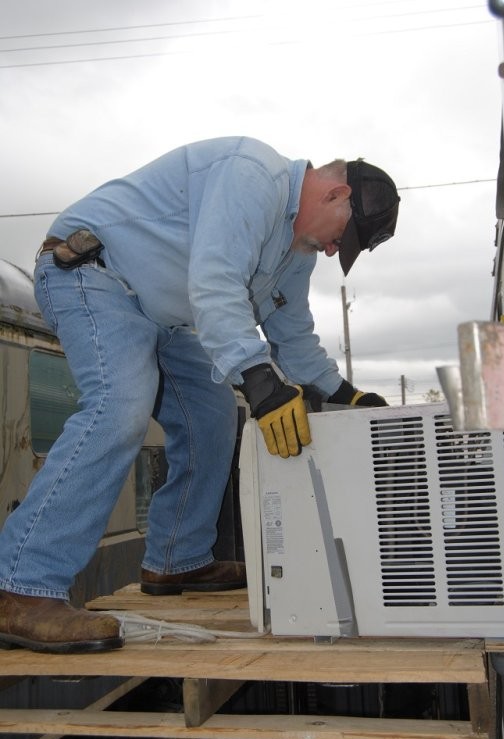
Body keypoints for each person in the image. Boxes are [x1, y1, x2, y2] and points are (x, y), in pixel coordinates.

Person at [0, 136, 399, 654]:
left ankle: (176, 558)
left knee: (212, 415)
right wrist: (258, 380)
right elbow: (215, 284)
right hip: (92, 274)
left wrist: (345, 393)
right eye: (338, 239)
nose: (329, 250)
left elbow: (293, 336)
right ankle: (21, 587)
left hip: (159, 311)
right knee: (121, 405)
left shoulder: (296, 251)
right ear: (334, 194)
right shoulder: (252, 174)